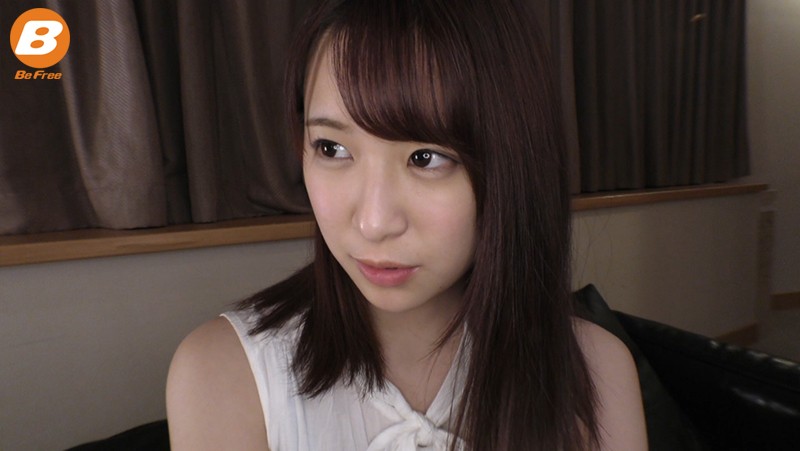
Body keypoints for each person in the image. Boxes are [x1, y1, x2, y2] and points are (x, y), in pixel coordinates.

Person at [166, 0, 647, 450]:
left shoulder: (595, 373)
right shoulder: (224, 374)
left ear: (513, 164)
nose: (373, 223)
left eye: (425, 158)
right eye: (332, 148)